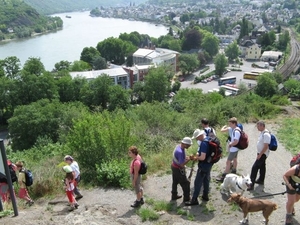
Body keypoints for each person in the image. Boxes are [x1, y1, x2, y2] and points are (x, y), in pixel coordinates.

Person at [185, 129, 213, 206]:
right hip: (209, 164)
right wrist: (198, 153)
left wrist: (195, 158)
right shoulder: (208, 139)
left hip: (203, 165)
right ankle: (205, 196)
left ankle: (194, 200)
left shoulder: (204, 143)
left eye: (197, 137)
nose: (196, 139)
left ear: (200, 135)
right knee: (206, 180)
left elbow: (203, 157)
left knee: (197, 182)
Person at [247, 121, 271, 191]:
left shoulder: (266, 134)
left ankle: (251, 185)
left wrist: (260, 154)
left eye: (258, 126)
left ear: (262, 126)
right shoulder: (262, 133)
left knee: (255, 167)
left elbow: (266, 146)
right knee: (262, 166)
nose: (257, 128)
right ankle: (261, 180)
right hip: (261, 153)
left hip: (263, 154)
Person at [216, 117, 241, 182]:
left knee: (228, 162)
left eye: (230, 124)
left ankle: (224, 176)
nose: (229, 125)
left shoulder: (236, 131)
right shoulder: (235, 129)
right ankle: (234, 171)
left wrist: (230, 144)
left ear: (234, 123)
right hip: (236, 148)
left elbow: (236, 141)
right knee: (235, 159)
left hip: (233, 149)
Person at [171, 137, 193, 202]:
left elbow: (180, 158)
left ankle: (174, 195)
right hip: (178, 169)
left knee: (175, 182)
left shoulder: (178, 147)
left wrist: (187, 157)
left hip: (173, 166)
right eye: (188, 145)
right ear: (184, 144)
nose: (189, 146)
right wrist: (189, 159)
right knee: (186, 183)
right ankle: (186, 198)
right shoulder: (180, 152)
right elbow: (181, 164)